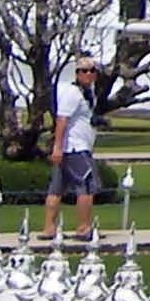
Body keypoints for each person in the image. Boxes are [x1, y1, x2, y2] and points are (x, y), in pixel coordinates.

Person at [47, 59, 101, 238]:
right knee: (86, 185)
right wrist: (57, 147)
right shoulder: (72, 93)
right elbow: (62, 120)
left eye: (92, 71)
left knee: (57, 187)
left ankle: (49, 228)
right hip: (75, 147)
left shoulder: (87, 93)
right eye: (84, 71)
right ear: (77, 73)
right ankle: (83, 227)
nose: (89, 74)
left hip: (76, 146)